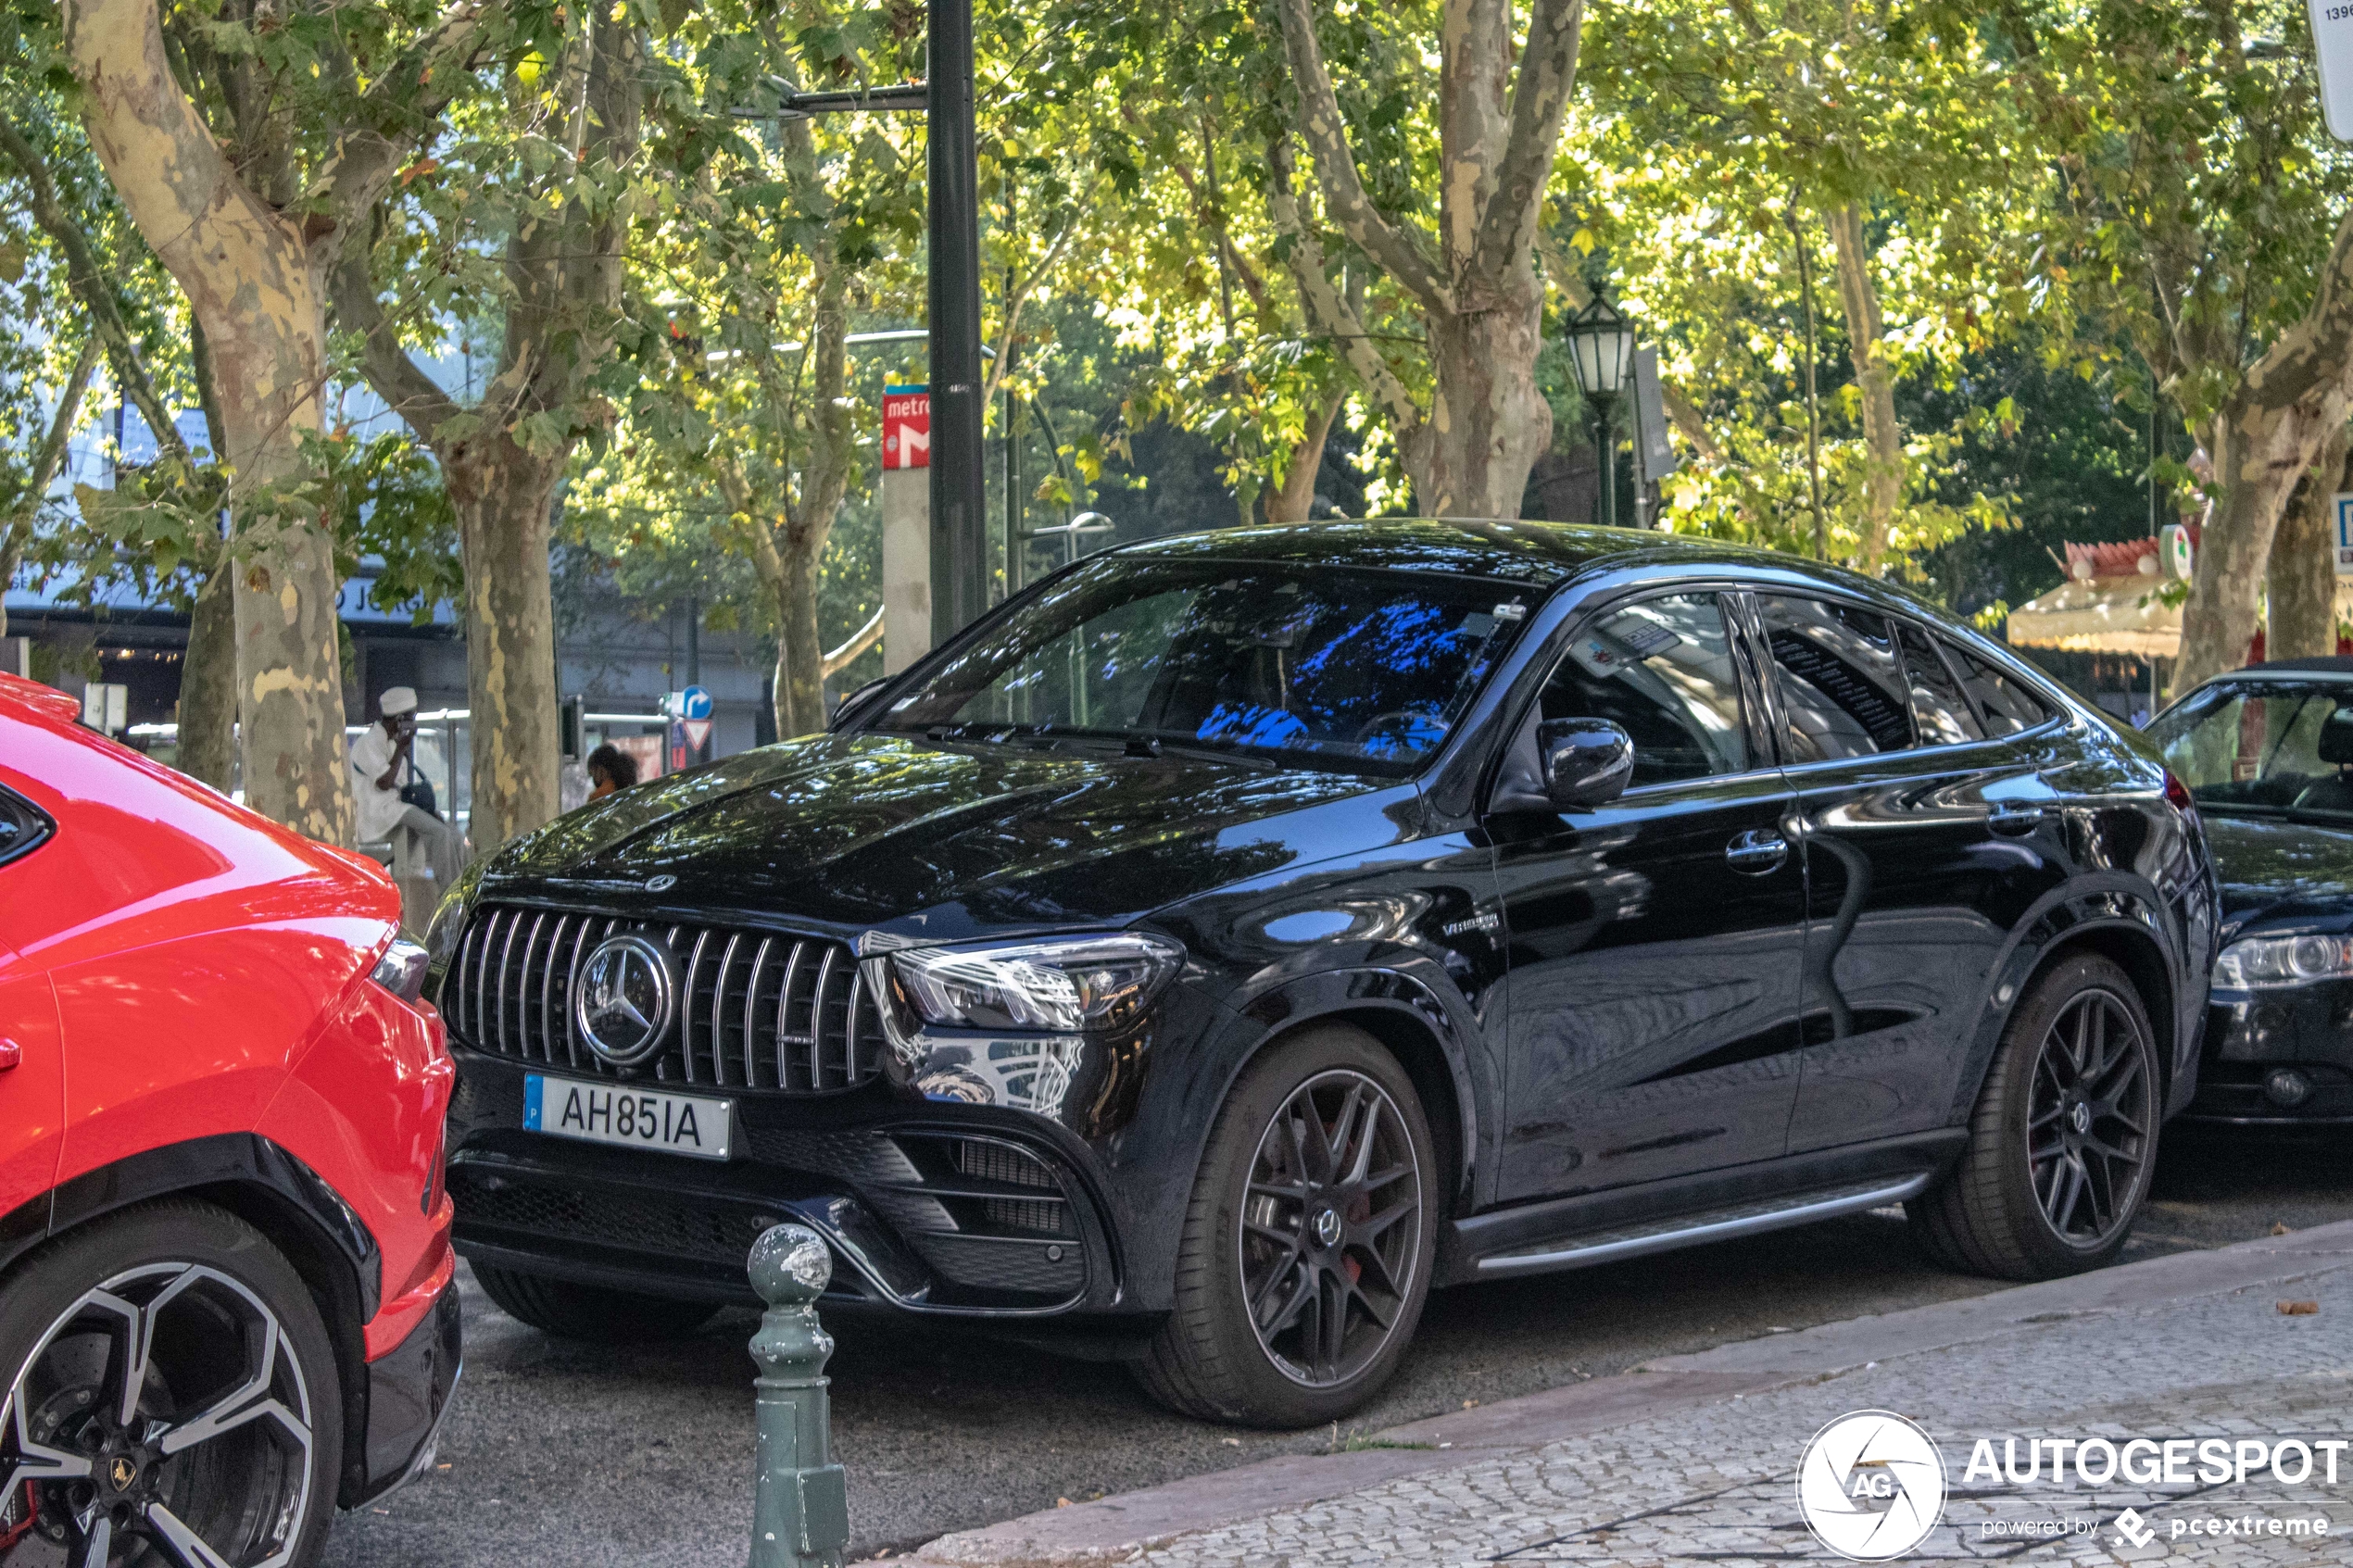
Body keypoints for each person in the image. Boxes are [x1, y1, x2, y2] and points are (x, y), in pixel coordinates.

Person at [348, 686, 464, 891]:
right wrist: (402, 747)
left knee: (453, 834)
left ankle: (464, 886)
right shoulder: (367, 743)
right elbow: (384, 783)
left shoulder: (392, 745)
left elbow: (401, 789)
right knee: (439, 834)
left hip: (398, 808)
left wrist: (428, 812)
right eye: (410, 718)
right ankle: (450, 892)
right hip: (378, 812)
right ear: (399, 719)